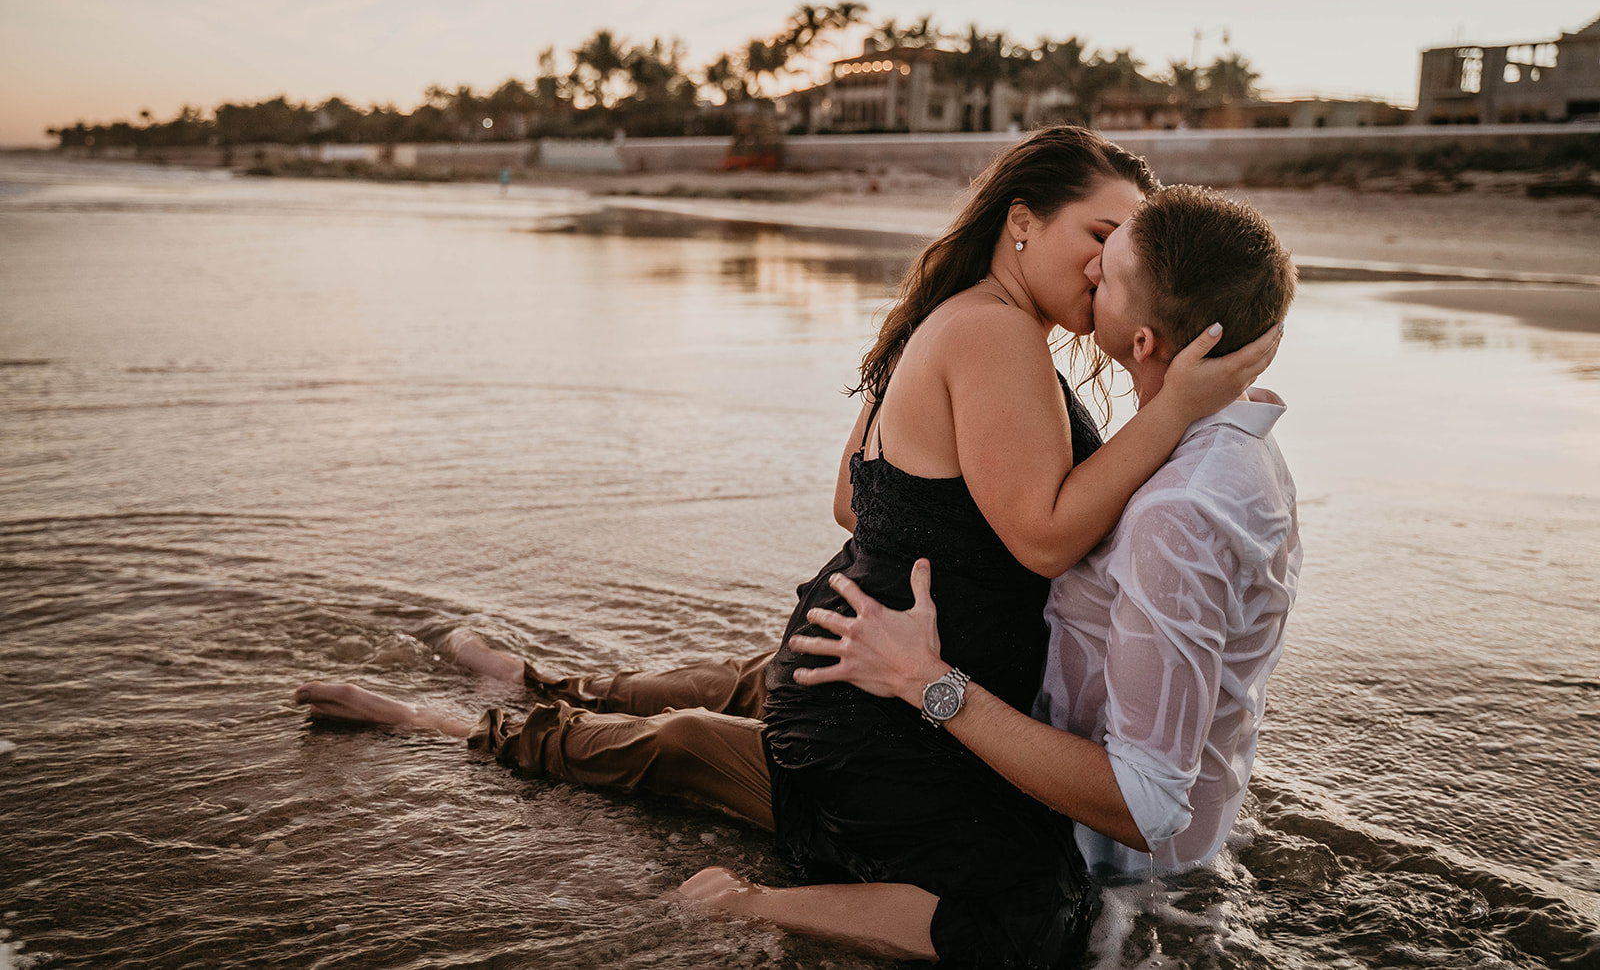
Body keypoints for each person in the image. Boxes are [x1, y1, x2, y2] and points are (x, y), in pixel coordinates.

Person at [295, 131, 1280, 966]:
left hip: (867, 627)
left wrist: (946, 534)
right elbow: (1041, 533)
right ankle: (466, 710)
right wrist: (1176, 412)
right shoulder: (994, 337)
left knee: (723, 698)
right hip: (899, 673)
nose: (1107, 267)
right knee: (714, 742)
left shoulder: (953, 317)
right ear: (1022, 219)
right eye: (1098, 237)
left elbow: (853, 496)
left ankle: (523, 680)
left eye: (1123, 251)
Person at [674, 183, 1300, 961]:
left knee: (710, 747)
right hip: (1009, 756)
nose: (1092, 266)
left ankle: (740, 897)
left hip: (1100, 855)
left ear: (1143, 343)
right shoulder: (1228, 448)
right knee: (723, 716)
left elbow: (1144, 802)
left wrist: (926, 679)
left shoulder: (1183, 506)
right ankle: (533, 711)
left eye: (1111, 267)